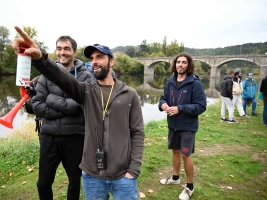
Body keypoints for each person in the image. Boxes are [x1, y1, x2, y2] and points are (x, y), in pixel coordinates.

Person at [13, 26, 145, 200]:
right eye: (92, 58)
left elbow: (137, 133)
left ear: (111, 61)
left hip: (123, 177)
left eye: (100, 57)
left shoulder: (130, 95)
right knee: (44, 183)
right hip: (91, 176)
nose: (95, 61)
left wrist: (133, 170)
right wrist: (40, 57)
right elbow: (59, 76)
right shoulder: (86, 91)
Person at [31, 35, 94, 200]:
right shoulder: (46, 74)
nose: (62, 52)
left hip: (74, 137)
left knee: (74, 181)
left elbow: (80, 105)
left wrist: (50, 100)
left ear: (75, 51)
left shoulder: (86, 76)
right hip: (49, 136)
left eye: (66, 49)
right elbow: (37, 105)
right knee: (42, 183)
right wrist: (67, 109)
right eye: (59, 48)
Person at [158, 52, 206, 200]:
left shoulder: (195, 84)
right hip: (173, 124)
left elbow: (201, 106)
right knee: (175, 152)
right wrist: (162, 105)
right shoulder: (170, 82)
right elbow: (162, 98)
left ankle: (190, 186)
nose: (180, 65)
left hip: (188, 126)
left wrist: (180, 108)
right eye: (178, 62)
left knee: (186, 154)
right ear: (175, 64)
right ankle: (175, 177)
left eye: (184, 62)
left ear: (189, 65)